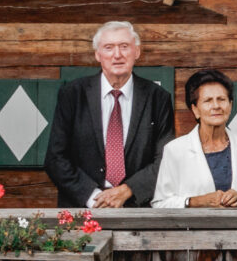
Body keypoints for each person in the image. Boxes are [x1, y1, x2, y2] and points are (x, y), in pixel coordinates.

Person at [46, 20, 174, 209]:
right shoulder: (73, 94)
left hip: (137, 208)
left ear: (136, 52)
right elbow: (55, 158)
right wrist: (95, 198)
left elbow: (165, 159)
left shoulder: (157, 97)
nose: (117, 55)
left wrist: (127, 190)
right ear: (98, 55)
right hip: (83, 207)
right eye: (108, 48)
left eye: (124, 46)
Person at [152, 69, 237, 209]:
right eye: (207, 101)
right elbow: (161, 204)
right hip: (192, 230)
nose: (216, 106)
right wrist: (195, 202)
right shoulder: (175, 150)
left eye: (221, 99)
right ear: (195, 109)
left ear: (230, 105)